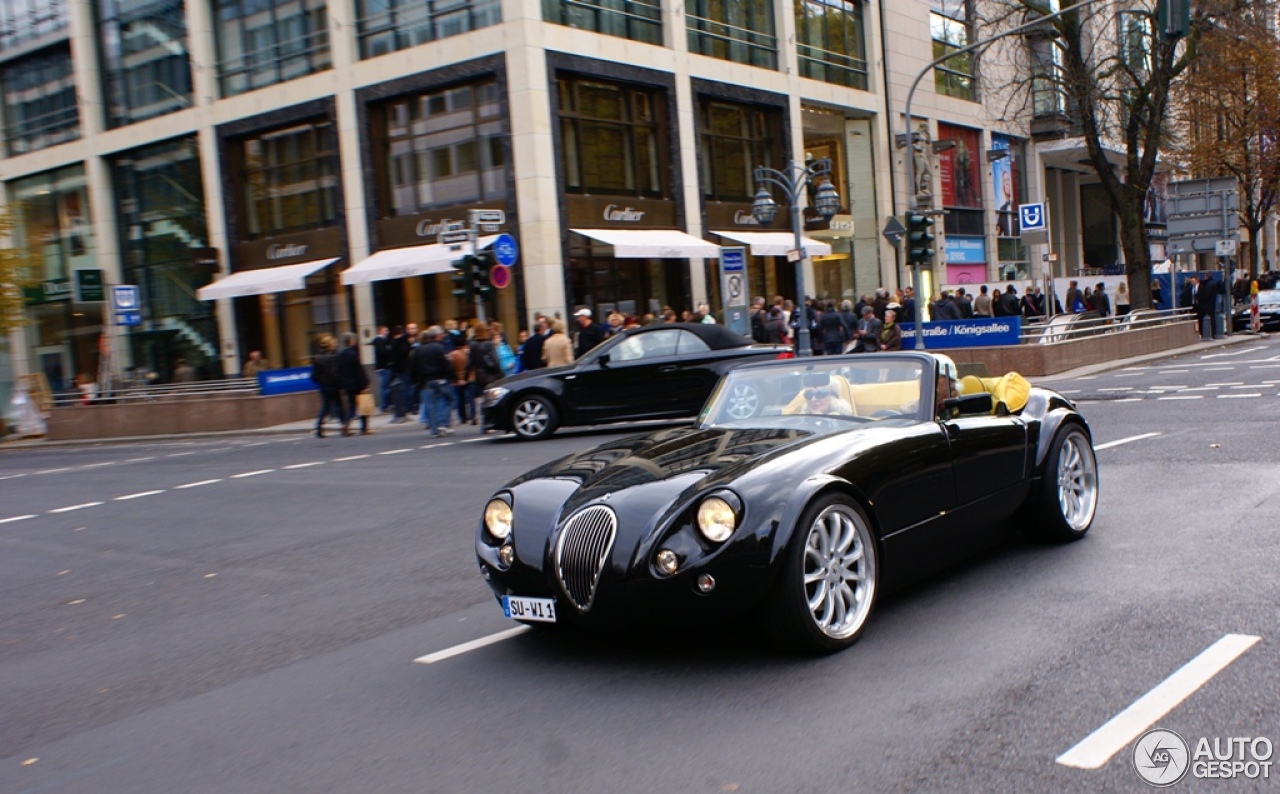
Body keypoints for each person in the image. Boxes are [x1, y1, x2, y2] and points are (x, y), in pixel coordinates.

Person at [412, 326, 455, 437]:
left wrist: (417, 382)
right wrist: (452, 376)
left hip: (426, 381)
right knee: (449, 400)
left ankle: (434, 430)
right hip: (440, 378)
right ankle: (444, 423)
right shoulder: (439, 348)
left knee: (431, 405)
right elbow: (446, 364)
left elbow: (414, 367)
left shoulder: (418, 350)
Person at [336, 332, 370, 436]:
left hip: (347, 385)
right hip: (357, 384)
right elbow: (358, 371)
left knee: (351, 406)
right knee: (363, 406)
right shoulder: (353, 354)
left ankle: (346, 423)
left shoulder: (340, 355)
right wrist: (365, 383)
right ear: (351, 341)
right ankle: (364, 428)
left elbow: (339, 371)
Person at [309, 336, 342, 439]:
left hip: (324, 386)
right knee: (339, 406)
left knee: (325, 407)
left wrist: (322, 380)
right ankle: (345, 425)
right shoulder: (333, 357)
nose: (335, 345)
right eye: (333, 343)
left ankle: (318, 427)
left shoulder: (317, 358)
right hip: (333, 385)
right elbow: (335, 372)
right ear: (329, 345)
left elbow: (314, 376)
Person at [787, 373, 854, 416]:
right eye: (809, 395)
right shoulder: (802, 421)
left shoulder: (846, 420)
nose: (813, 399)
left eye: (820, 394)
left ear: (833, 397)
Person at [388, 325, 412, 423]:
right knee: (404, 390)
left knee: (401, 391)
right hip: (403, 369)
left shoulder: (394, 343)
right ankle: (403, 411)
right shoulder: (401, 342)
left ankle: (401, 412)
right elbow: (404, 354)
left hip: (398, 370)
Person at [371, 325, 392, 411]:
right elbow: (383, 352)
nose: (387, 332)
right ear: (380, 331)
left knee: (385, 387)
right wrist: (389, 350)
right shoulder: (380, 341)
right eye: (385, 330)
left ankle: (385, 404)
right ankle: (384, 405)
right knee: (385, 387)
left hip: (382, 367)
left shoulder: (382, 340)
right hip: (383, 367)